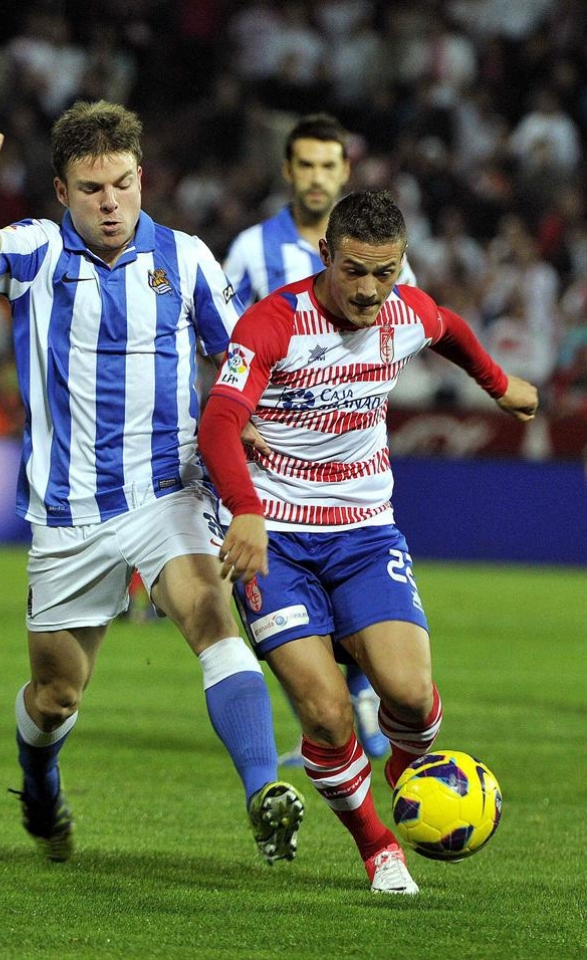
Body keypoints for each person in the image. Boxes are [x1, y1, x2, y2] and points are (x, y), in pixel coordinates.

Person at [0, 100, 304, 866]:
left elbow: (237, 361)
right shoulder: (37, 252)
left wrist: (249, 419)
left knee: (209, 613)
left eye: (125, 184)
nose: (112, 203)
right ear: (63, 194)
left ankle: (263, 793)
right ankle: (39, 780)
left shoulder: (188, 259)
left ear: (144, 178)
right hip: (67, 511)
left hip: (168, 487)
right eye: (94, 189)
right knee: (56, 697)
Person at [199, 189, 538, 894]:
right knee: (323, 713)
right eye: (354, 270)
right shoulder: (272, 325)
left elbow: (449, 329)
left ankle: (401, 774)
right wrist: (246, 511)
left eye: (386, 272)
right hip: (279, 545)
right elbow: (219, 423)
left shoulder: (404, 309)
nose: (370, 289)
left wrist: (500, 385)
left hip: (363, 533)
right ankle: (380, 847)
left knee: (411, 698)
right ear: (326, 255)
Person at [224, 112, 407, 762]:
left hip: (353, 462)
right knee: (294, 590)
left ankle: (356, 697)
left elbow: (405, 323)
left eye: (330, 165)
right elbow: (219, 337)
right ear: (288, 170)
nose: (317, 177)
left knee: (357, 585)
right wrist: (238, 411)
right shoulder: (251, 249)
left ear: (345, 172)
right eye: (306, 164)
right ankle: (340, 707)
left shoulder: (379, 249)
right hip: (275, 462)